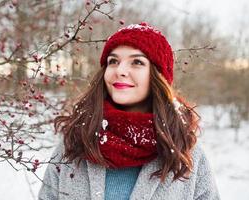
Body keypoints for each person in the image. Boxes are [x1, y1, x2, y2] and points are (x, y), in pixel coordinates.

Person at [38, 22, 220, 200]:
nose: (120, 70)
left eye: (137, 62)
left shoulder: (185, 153)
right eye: (113, 61)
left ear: (158, 76)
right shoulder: (75, 142)